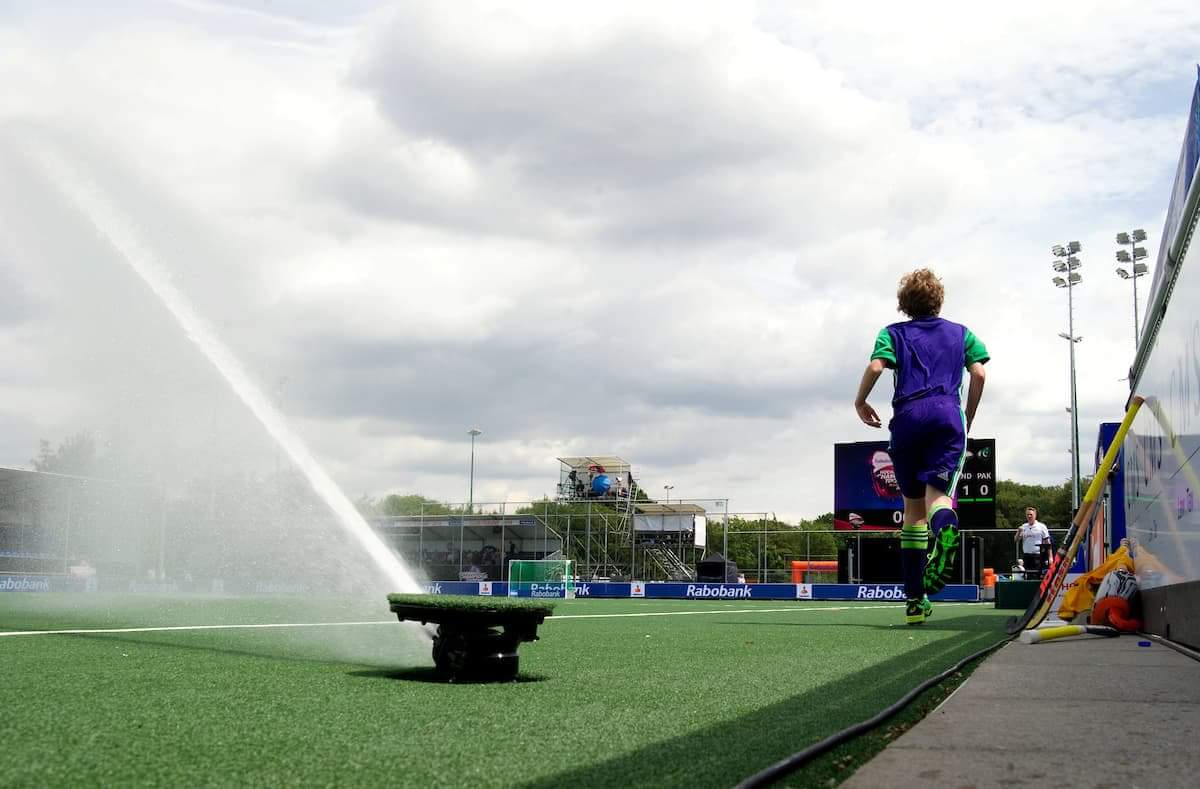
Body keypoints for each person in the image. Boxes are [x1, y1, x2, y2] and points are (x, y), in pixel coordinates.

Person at [854, 269, 989, 625]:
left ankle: (915, 601)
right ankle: (945, 528)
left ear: (904, 304)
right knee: (938, 499)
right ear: (939, 299)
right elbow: (979, 374)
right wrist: (967, 415)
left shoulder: (893, 333)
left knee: (912, 509)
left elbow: (875, 366)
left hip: (907, 420)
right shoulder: (962, 334)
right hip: (947, 414)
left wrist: (860, 401)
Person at [1014, 506, 1051, 579]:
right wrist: (1018, 532)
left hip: (1037, 556)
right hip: (1026, 556)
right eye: (1027, 514)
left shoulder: (1041, 526)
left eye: (1031, 514)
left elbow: (1047, 542)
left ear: (1035, 515)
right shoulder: (1023, 527)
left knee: (1037, 575)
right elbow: (1016, 540)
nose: (1029, 516)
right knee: (1027, 576)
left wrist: (1050, 557)